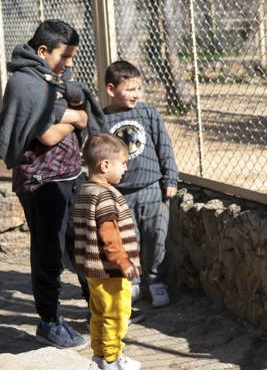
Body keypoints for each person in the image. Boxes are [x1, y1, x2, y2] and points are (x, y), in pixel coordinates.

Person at [0, 19, 104, 348]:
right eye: (65, 56)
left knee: (85, 247)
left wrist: (71, 118)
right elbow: (45, 133)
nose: (70, 63)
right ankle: (49, 321)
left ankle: (98, 310)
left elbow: (85, 116)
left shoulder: (56, 78)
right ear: (43, 51)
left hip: (72, 177)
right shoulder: (24, 84)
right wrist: (72, 119)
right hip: (41, 183)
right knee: (48, 255)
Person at [103, 60, 178, 308]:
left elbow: (164, 146)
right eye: (129, 89)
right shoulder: (102, 119)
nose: (136, 94)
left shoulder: (148, 113)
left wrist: (170, 178)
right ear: (111, 90)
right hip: (120, 194)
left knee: (157, 237)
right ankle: (132, 284)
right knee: (128, 241)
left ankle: (156, 281)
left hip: (152, 189)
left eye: (138, 88)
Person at [74, 133, 142, 370]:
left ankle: (100, 355)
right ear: (105, 165)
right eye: (122, 163)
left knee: (99, 313)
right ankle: (113, 359)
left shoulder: (85, 190)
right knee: (117, 314)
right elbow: (109, 235)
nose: (125, 168)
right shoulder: (105, 195)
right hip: (110, 270)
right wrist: (123, 262)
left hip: (92, 269)